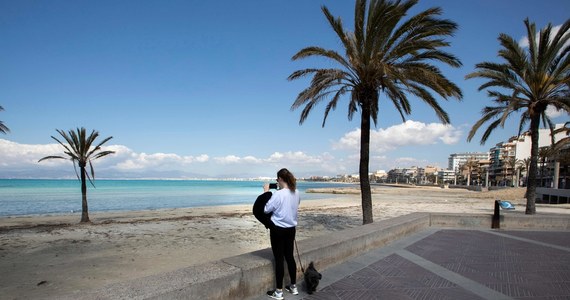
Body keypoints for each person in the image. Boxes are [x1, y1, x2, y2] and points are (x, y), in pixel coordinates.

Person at [263, 168, 300, 300]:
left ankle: (279, 292)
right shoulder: (296, 192)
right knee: (289, 257)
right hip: (291, 229)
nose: (276, 182)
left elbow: (266, 209)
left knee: (279, 259)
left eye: (277, 179)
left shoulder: (278, 194)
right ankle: (293, 286)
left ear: (280, 179)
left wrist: (266, 192)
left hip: (278, 230)